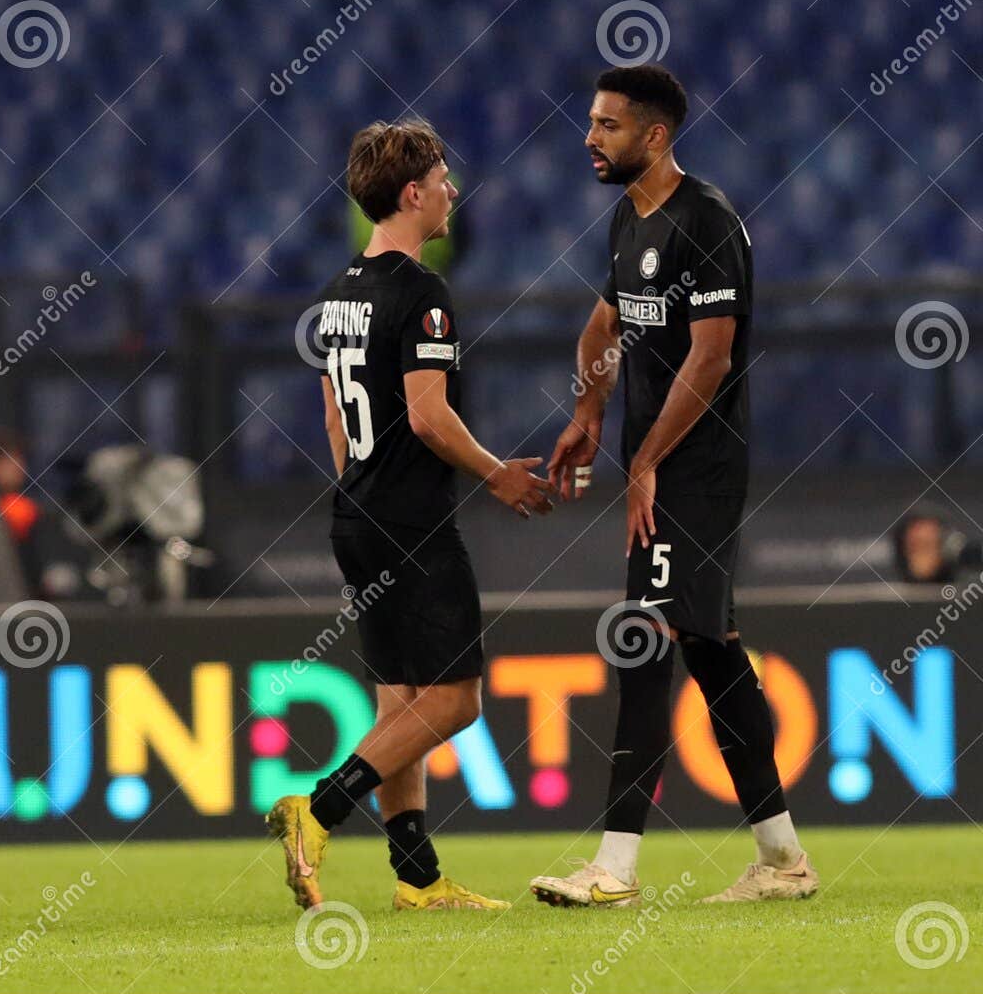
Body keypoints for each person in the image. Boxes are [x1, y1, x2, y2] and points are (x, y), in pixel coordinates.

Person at [531, 64, 818, 907]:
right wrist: (588, 413)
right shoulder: (626, 219)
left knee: (642, 643)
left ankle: (614, 870)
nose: (590, 137)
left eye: (608, 125)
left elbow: (712, 355)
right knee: (709, 651)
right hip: (663, 466)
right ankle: (783, 858)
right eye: (590, 121)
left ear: (655, 135)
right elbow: (605, 321)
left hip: (696, 471)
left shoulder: (707, 224)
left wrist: (647, 459)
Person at [266, 120, 554, 912]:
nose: (454, 191)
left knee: (402, 700)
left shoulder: (339, 295)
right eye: (444, 177)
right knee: (455, 699)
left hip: (357, 512)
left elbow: (332, 413)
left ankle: (417, 878)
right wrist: (498, 473)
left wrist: (361, 485)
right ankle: (318, 807)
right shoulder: (422, 294)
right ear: (412, 193)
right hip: (412, 519)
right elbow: (428, 418)